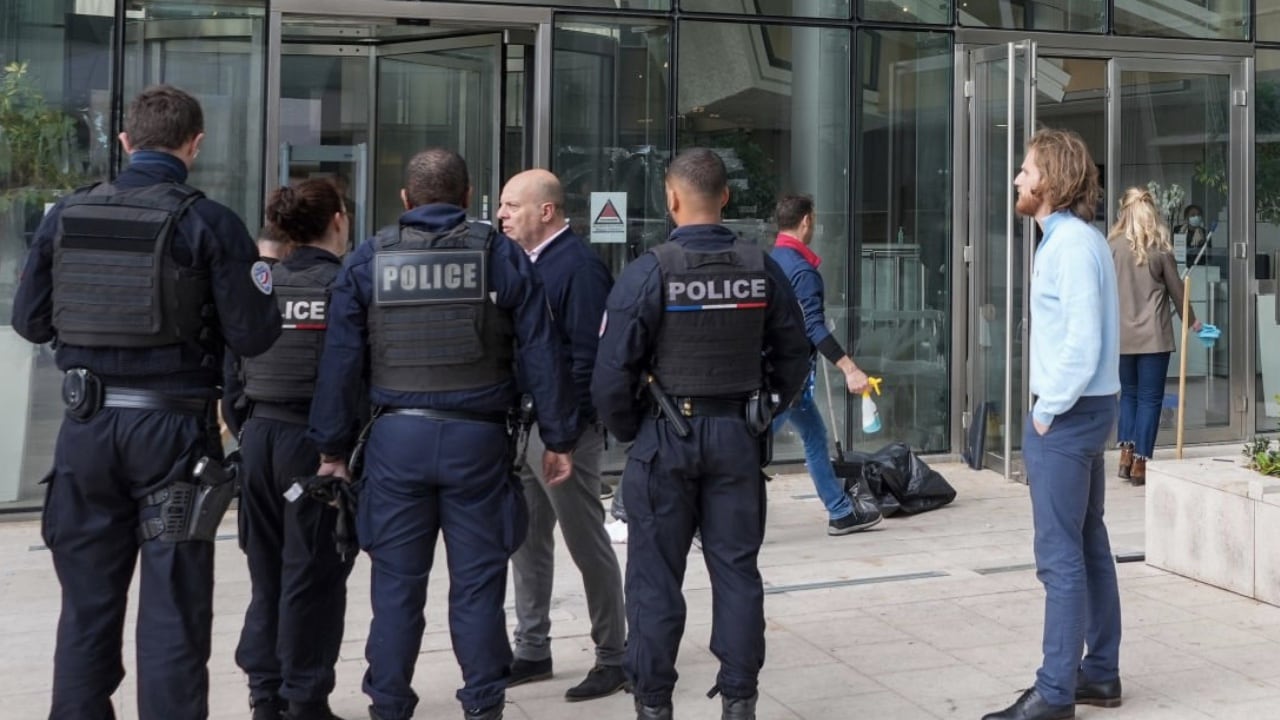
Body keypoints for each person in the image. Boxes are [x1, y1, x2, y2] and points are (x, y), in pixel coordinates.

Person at [10, 85, 282, 720]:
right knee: (174, 607)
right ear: (195, 144)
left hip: (86, 430)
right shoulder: (209, 222)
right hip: (172, 436)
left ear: (126, 142)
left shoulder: (65, 216)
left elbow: (29, 321)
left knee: (86, 605)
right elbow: (255, 335)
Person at [307, 148, 580, 720]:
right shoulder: (500, 256)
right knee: (478, 587)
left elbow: (339, 366)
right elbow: (541, 353)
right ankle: (482, 705)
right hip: (477, 444)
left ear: (406, 202)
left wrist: (332, 450)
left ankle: (388, 705)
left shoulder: (368, 260)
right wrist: (559, 438)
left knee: (396, 589)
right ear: (466, 199)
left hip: (395, 444)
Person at [592, 147, 810, 720]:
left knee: (654, 579)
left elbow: (612, 370)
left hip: (666, 438)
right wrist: (764, 411)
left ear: (670, 197)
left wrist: (632, 431)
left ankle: (655, 704)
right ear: (726, 197)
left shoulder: (650, 270)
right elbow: (795, 354)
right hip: (736, 434)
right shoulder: (761, 267)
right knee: (736, 571)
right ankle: (740, 699)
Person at [983, 128, 1122, 720]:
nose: (1016, 178)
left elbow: (1083, 341)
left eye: (1025, 170)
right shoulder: (1075, 240)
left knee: (1058, 555)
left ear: (1052, 180)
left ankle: (1055, 692)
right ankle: (1099, 675)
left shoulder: (1068, 246)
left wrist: (1045, 410)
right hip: (1088, 410)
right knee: (1088, 543)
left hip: (1067, 415)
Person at [495, 169, 628, 701]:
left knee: (585, 541)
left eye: (511, 205)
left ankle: (613, 656)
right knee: (525, 542)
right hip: (524, 424)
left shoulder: (578, 269)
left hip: (564, 431)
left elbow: (586, 360)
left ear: (544, 211)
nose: (501, 214)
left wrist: (563, 435)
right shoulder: (516, 263)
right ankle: (532, 648)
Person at [230, 180, 355, 720]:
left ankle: (265, 693)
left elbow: (229, 371)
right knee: (316, 574)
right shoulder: (347, 286)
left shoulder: (260, 286)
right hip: (316, 448)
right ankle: (305, 700)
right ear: (339, 220)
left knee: (267, 572)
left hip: (258, 437)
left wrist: (247, 429)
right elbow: (353, 375)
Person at [768, 193, 882, 535]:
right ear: (806, 221)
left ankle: (841, 511)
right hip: (787, 380)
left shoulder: (771, 261)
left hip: (782, 377)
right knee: (747, 450)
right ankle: (706, 516)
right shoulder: (802, 271)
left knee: (815, 435)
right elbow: (813, 326)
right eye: (814, 220)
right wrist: (850, 368)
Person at [1109, 188, 1200, 487]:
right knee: (1150, 399)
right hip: (1154, 339)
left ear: (1125, 212)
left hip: (1122, 338)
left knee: (1130, 395)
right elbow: (1177, 292)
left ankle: (1126, 452)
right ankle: (1141, 464)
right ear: (1151, 213)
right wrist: (1193, 321)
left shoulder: (1112, 247)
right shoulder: (1160, 248)